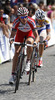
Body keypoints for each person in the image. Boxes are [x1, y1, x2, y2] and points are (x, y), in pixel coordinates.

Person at [9, 7, 39, 84]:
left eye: (25, 16)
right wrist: (11, 39)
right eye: (22, 17)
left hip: (29, 34)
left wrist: (35, 42)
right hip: (20, 34)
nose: (24, 19)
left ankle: (28, 61)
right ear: (18, 17)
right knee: (17, 52)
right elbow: (12, 35)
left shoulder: (31, 21)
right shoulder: (16, 22)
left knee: (29, 42)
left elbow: (37, 36)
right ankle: (13, 74)